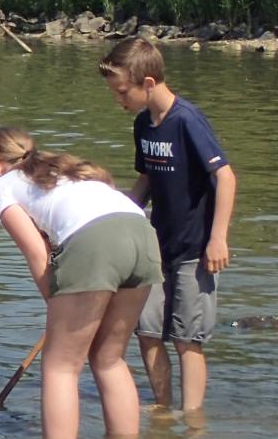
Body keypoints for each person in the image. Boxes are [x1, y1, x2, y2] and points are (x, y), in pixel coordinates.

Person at [0, 127, 160, 439]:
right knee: (108, 358)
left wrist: (56, 303)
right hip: (141, 233)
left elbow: (36, 252)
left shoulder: (0, 187)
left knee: (60, 366)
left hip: (96, 242)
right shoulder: (62, 170)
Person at [98, 37, 237, 411]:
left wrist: (218, 238)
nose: (119, 101)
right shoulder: (144, 124)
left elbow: (225, 176)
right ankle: (163, 412)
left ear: (147, 84)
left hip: (195, 249)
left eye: (122, 92)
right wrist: (119, 217)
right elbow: (145, 180)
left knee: (187, 340)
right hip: (155, 247)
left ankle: (191, 421)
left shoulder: (186, 120)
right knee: (146, 331)